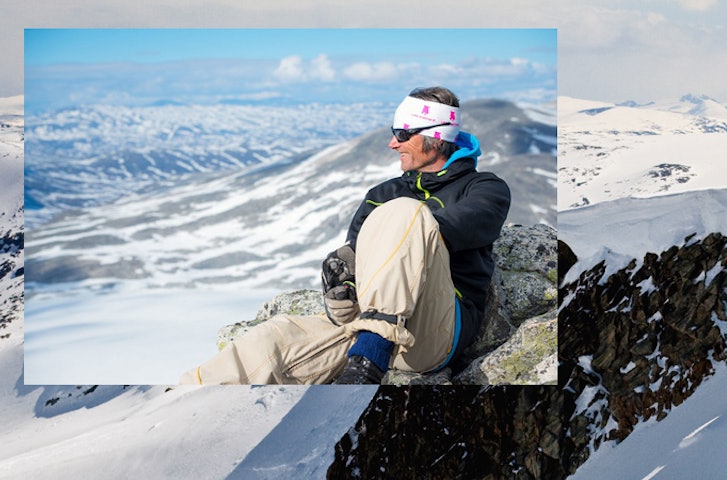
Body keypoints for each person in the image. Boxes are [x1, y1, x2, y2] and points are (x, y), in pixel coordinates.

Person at [180, 85, 511, 384]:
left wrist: (400, 231)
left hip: (432, 335)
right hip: (369, 329)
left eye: (402, 133)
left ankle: (368, 359)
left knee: (406, 213)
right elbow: (357, 263)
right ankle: (179, 402)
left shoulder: (484, 189)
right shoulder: (382, 194)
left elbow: (457, 226)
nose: (392, 143)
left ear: (436, 137)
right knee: (273, 339)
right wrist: (341, 291)